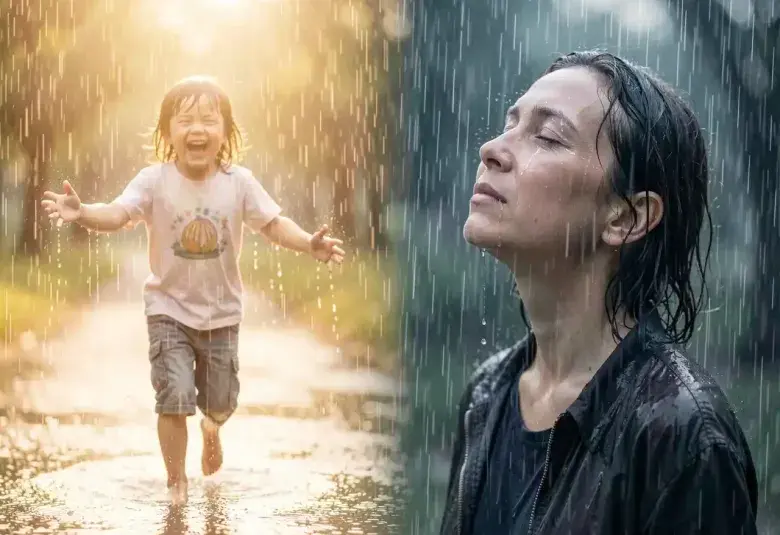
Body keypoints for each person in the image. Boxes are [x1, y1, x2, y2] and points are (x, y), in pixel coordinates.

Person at [440, 51, 758, 534]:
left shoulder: (682, 437)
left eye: (547, 137)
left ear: (626, 217)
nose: (492, 149)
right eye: (510, 125)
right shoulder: (487, 395)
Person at [41, 76, 346, 505]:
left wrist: (308, 244)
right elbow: (117, 213)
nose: (197, 129)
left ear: (225, 132)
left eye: (209, 119)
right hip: (167, 309)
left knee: (221, 401)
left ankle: (213, 427)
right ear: (168, 133)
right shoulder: (153, 181)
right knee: (174, 395)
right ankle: (176, 483)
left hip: (222, 316)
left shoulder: (238, 182)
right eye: (185, 120)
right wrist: (83, 212)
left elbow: (274, 223)